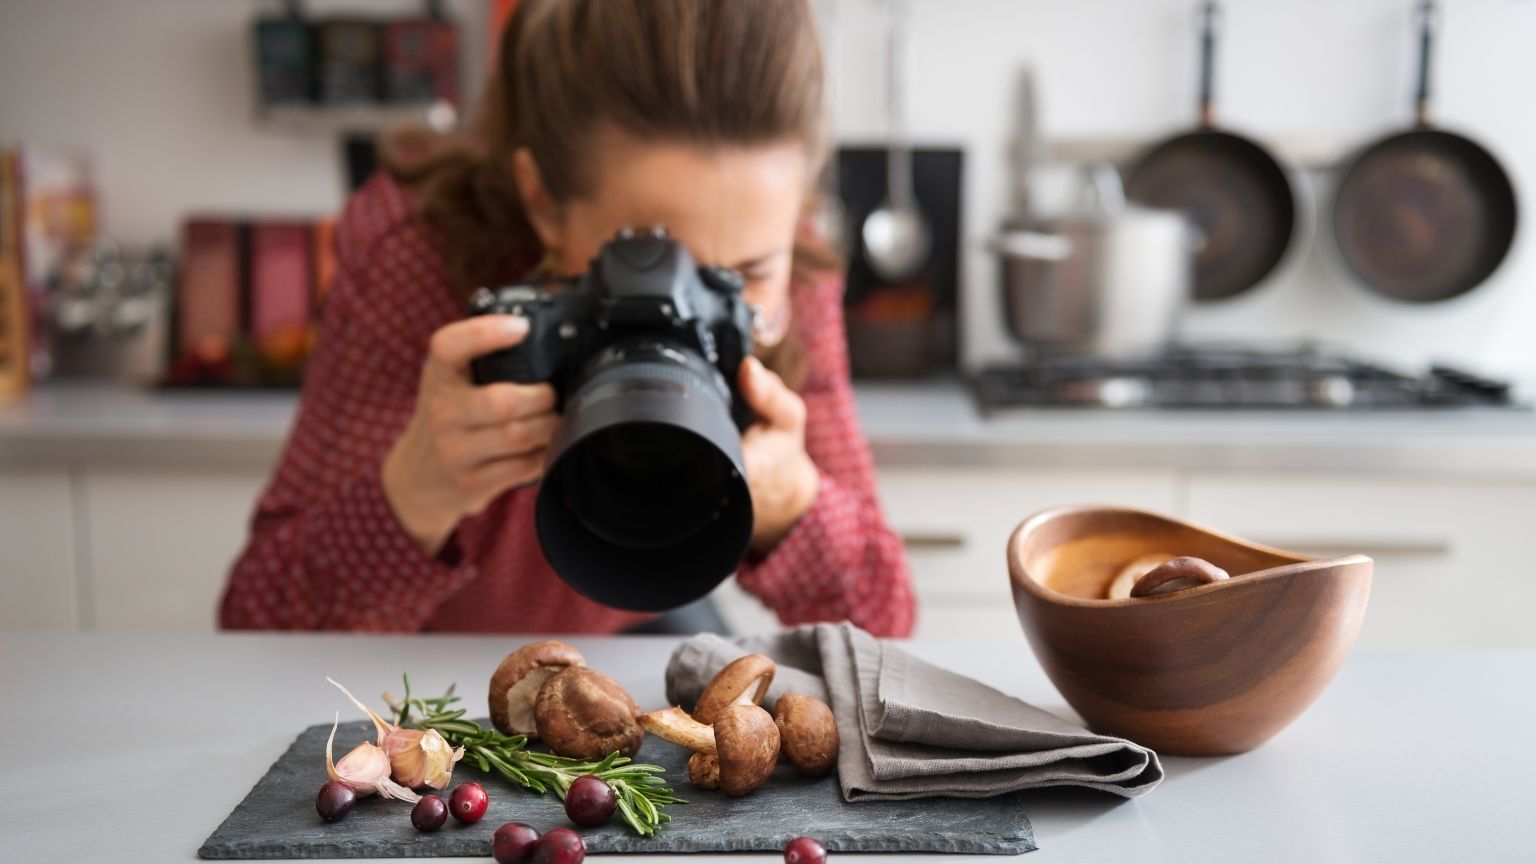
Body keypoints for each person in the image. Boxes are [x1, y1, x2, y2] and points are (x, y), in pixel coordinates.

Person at [218, 0, 915, 637]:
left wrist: (795, 505)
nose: (683, 308)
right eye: (642, 260)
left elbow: (885, 623)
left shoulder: (796, 273)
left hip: (636, 617)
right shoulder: (418, 254)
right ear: (541, 202)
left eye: (745, 275)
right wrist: (414, 493)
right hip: (424, 655)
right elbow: (259, 624)